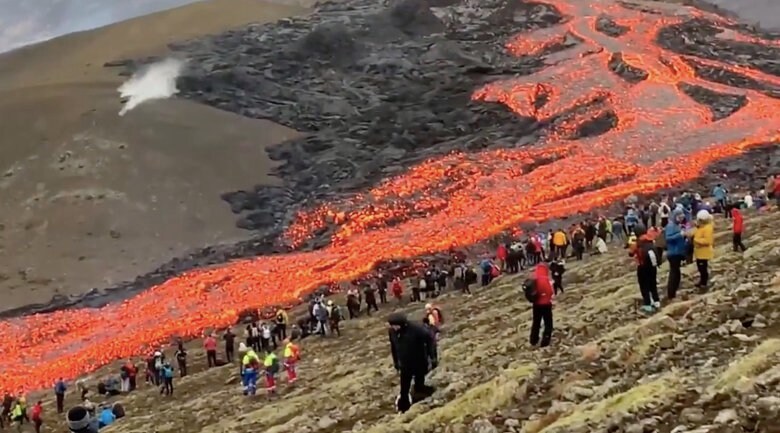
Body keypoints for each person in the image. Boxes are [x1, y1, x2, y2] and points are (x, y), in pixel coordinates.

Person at [387, 313, 436, 413]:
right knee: (404, 388)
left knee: (419, 383)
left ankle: (420, 402)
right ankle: (404, 408)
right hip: (404, 364)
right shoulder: (392, 332)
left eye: (396, 326)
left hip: (419, 361)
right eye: (392, 326)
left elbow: (430, 339)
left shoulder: (416, 330)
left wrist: (433, 357)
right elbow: (393, 347)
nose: (394, 328)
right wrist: (396, 362)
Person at [629, 224, 661, 313]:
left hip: (643, 266)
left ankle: (647, 305)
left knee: (644, 286)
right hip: (653, 266)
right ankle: (656, 301)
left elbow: (631, 253)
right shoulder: (650, 239)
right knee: (653, 284)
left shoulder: (638, 242)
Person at [525, 263, 554, 347]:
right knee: (548, 323)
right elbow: (550, 292)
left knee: (536, 322)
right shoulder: (546, 279)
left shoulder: (535, 280)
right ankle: (545, 340)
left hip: (536, 304)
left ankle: (533, 340)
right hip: (546, 304)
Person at [664, 209, 686, 299]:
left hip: (678, 252)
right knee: (674, 273)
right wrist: (680, 235)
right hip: (673, 253)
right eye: (679, 217)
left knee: (677, 273)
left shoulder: (677, 225)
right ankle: (671, 293)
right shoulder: (670, 226)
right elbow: (668, 238)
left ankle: (674, 291)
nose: (681, 219)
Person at [690, 210, 715, 290]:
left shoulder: (707, 228)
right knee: (701, 268)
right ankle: (702, 281)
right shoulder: (702, 227)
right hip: (699, 252)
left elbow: (708, 241)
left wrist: (696, 240)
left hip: (703, 253)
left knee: (703, 268)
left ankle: (704, 283)